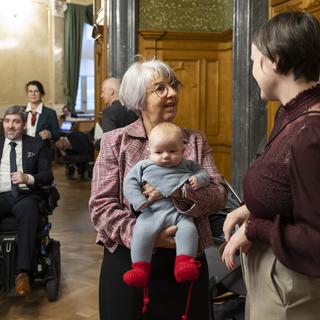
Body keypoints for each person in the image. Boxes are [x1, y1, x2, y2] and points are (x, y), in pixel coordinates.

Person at [89, 58, 227, 320]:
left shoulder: (195, 141)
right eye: (160, 88)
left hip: (186, 262)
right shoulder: (114, 142)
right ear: (139, 98)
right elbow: (101, 207)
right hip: (130, 262)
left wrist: (175, 189)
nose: (172, 93)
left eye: (173, 85)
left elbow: (219, 196)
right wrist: (145, 235)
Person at [221, 11, 320, 320]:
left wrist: (254, 227)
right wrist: (250, 207)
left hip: (291, 286)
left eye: (254, 60)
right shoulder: (291, 113)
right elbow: (290, 188)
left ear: (275, 60)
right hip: (276, 279)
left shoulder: (309, 132)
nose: (251, 70)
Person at [123, 122, 210, 314]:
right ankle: (140, 268)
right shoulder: (142, 166)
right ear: (149, 150)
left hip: (178, 212)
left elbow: (205, 175)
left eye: (172, 151)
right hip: (151, 212)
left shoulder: (187, 165)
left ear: (183, 149)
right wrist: (139, 202)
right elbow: (129, 185)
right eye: (159, 152)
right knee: (141, 232)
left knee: (189, 230)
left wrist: (199, 180)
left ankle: (184, 262)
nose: (166, 156)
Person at [0, 105, 54, 297]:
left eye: (15, 121)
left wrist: (28, 178)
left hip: (26, 195)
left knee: (29, 211)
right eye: (7, 121)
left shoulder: (36, 144)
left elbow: (48, 176)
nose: (11, 126)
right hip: (2, 195)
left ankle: (23, 273)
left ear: (23, 124)